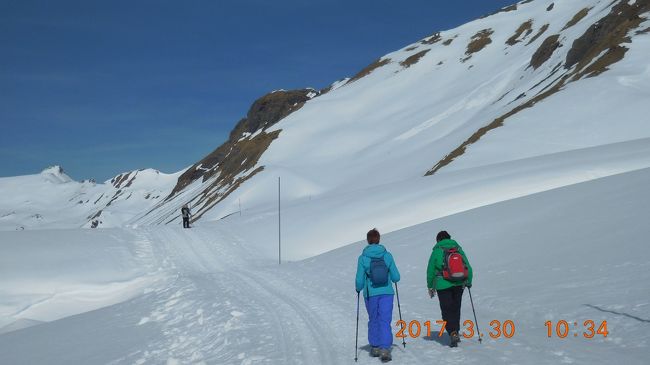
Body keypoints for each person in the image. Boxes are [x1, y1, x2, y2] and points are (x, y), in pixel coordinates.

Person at [355, 228, 401, 362]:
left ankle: (375, 346)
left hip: (371, 294)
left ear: (368, 240)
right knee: (385, 320)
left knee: (373, 319)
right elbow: (396, 276)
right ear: (379, 239)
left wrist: (358, 288)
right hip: (387, 292)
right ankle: (385, 349)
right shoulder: (387, 255)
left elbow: (359, 279)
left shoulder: (363, 258)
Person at [426, 230, 473, 347]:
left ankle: (452, 332)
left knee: (446, 309)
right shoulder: (457, 249)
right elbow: (468, 266)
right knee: (456, 308)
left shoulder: (437, 250)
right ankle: (455, 331)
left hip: (443, 284)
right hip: (459, 282)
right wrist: (469, 281)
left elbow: (430, 271)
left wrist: (430, 286)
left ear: (438, 240)